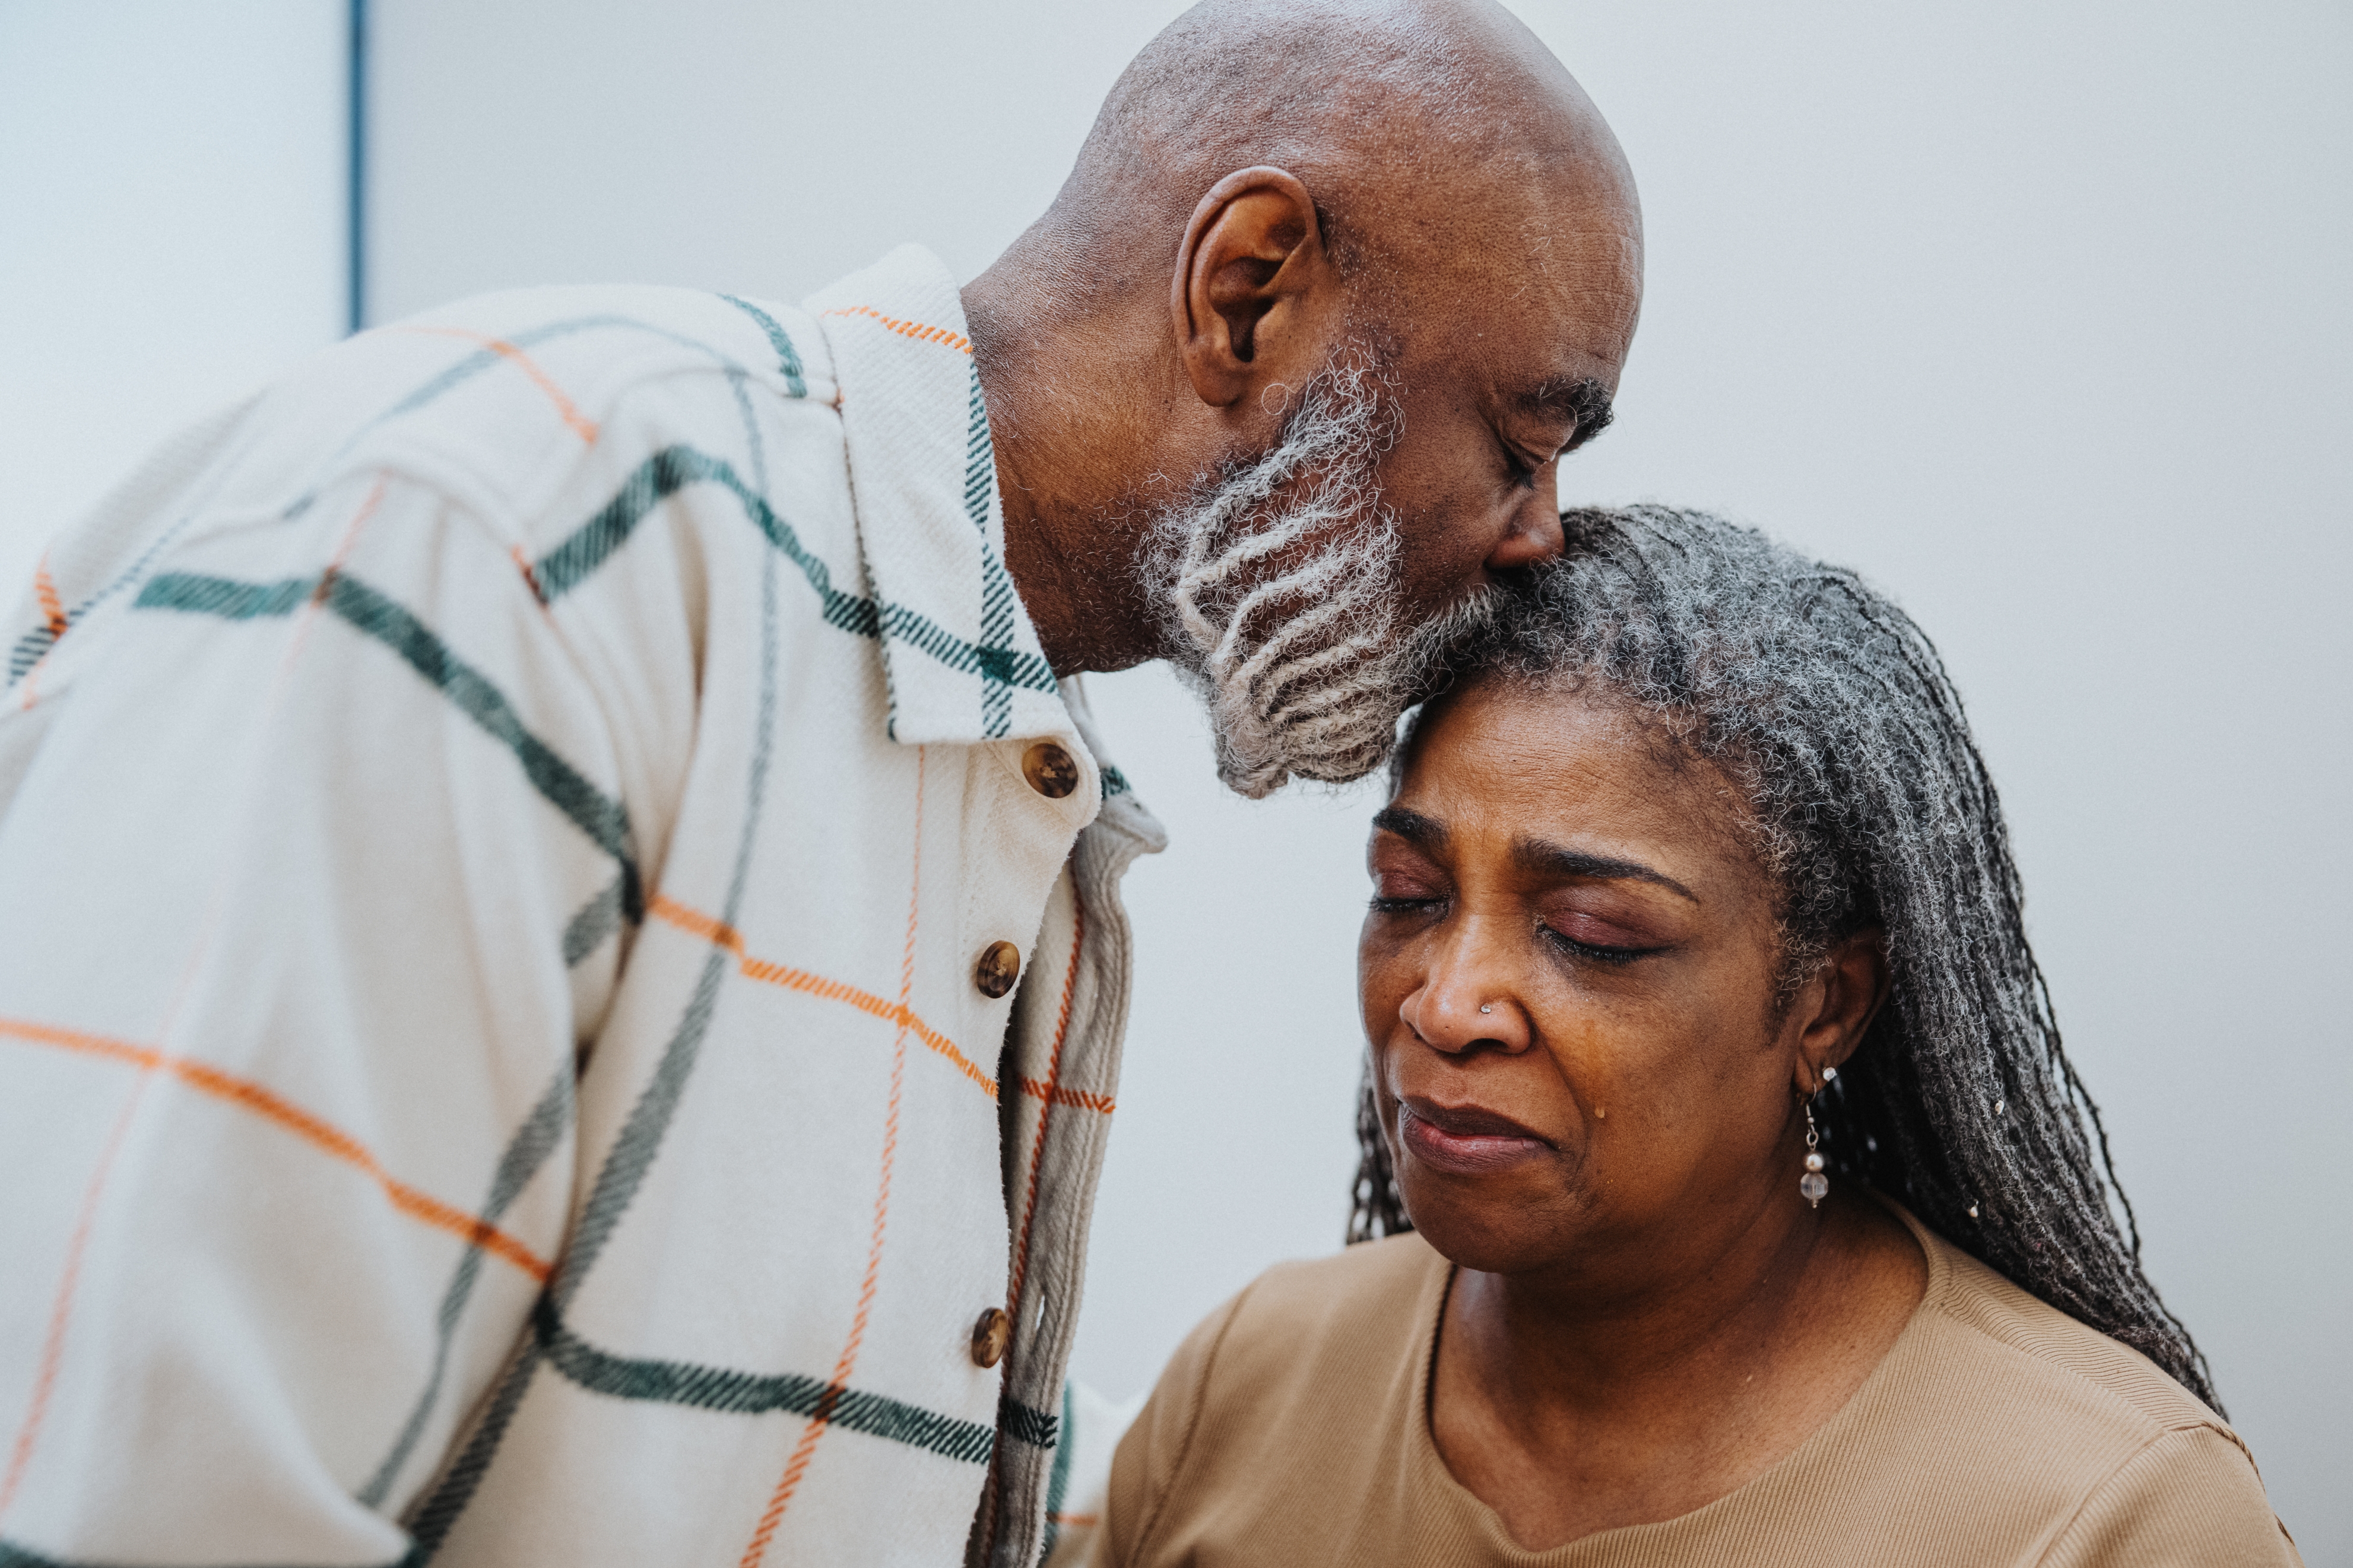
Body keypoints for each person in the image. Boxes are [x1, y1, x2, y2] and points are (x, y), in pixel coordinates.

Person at [0, 4, 1641, 1566]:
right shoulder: (530, 537)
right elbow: (131, 1479)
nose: (1536, 536)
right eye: (1521, 435)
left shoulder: (1001, 743)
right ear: (1246, 290)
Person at [1086, 506, 2302, 1567]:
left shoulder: (2110, 1516)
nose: (1446, 1004)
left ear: (1823, 1004)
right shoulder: (1250, 1385)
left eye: (1592, 934)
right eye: (1408, 896)